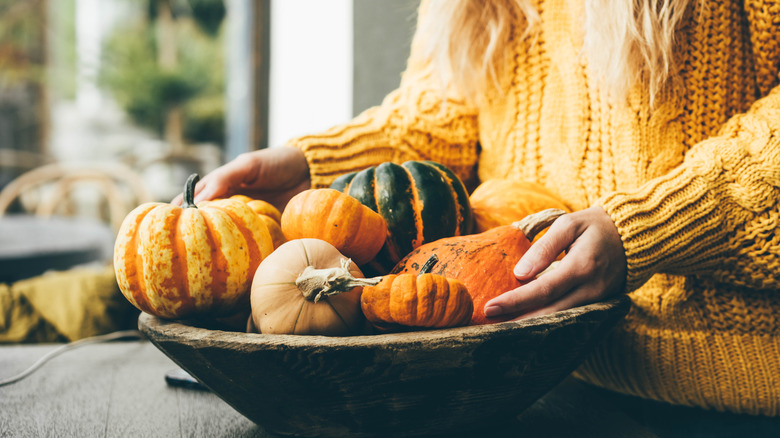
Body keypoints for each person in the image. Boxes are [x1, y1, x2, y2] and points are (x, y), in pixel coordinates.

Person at [178, 0, 779, 417]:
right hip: (537, 376)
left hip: (736, 392)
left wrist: (657, 228)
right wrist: (314, 163)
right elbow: (450, 113)